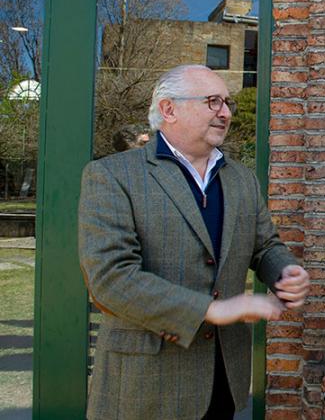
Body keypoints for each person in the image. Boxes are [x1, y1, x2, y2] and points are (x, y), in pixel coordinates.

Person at [78, 64, 309, 420]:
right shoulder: (112, 175)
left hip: (223, 379)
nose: (226, 113)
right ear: (169, 109)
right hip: (145, 385)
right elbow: (110, 279)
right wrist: (210, 311)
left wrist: (284, 270)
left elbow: (264, 246)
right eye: (213, 101)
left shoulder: (241, 179)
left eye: (227, 103)